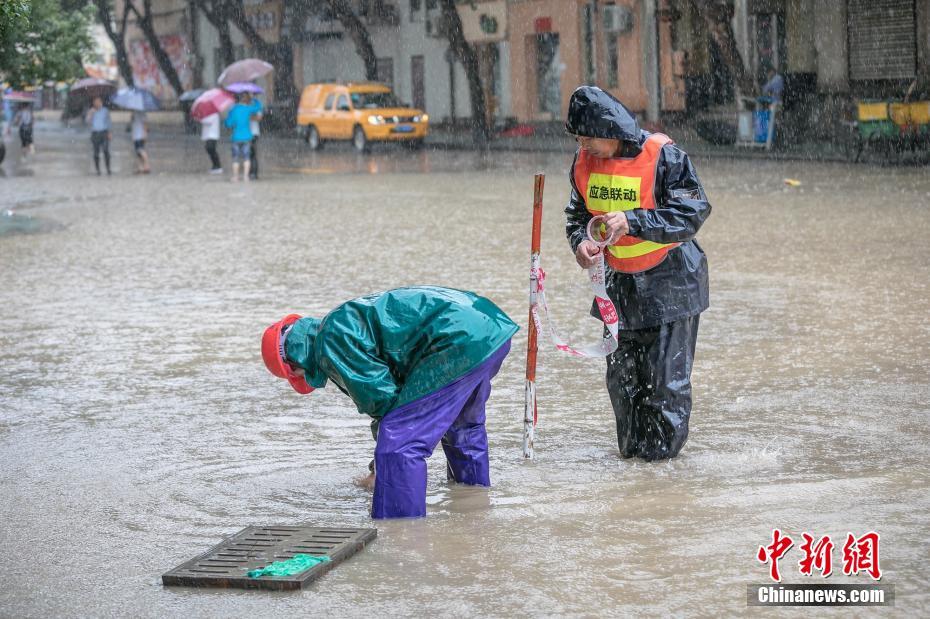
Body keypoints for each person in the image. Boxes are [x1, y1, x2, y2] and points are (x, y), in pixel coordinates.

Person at [261, 286, 518, 519]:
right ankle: (474, 506)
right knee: (462, 428)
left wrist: (380, 471)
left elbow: (385, 404)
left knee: (399, 445)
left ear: (293, 364)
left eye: (294, 375)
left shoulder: (330, 342)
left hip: (456, 340)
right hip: (490, 331)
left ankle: (401, 533)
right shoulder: (341, 322)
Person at [564, 85, 711, 462]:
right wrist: (581, 242)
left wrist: (632, 222)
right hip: (619, 290)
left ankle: (660, 480)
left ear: (610, 129)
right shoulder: (582, 163)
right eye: (579, 139)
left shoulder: (664, 155)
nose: (585, 146)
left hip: (671, 286)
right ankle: (632, 470)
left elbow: (692, 212)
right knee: (623, 385)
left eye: (589, 137)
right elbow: (577, 217)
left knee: (665, 388)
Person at [224, 91, 262, 182]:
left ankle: (236, 177)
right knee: (247, 157)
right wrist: (254, 99)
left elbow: (228, 124)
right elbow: (259, 107)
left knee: (236, 158)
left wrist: (230, 118)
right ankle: (246, 176)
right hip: (247, 137)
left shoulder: (233, 109)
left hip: (236, 137)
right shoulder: (248, 109)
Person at [86, 96, 111, 176]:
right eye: (95, 102)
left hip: (104, 132)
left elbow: (108, 122)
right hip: (95, 133)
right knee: (96, 153)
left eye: (98, 101)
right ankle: (98, 170)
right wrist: (90, 114)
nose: (96, 103)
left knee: (106, 150)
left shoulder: (105, 111)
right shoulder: (92, 111)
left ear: (101, 102)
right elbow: (87, 122)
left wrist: (109, 132)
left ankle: (108, 168)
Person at [248, 98, 262, 180]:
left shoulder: (256, 104)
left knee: (252, 153)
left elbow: (259, 118)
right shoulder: (242, 105)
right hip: (245, 132)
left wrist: (247, 116)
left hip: (254, 133)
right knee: (248, 154)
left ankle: (254, 173)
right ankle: (250, 172)